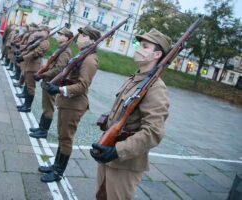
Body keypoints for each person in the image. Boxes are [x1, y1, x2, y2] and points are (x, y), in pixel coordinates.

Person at [90, 28, 171, 200]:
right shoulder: (136, 78)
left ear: (157, 55)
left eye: (145, 46)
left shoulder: (156, 88)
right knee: (101, 196)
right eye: (139, 44)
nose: (138, 48)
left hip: (125, 162)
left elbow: (154, 132)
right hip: (109, 148)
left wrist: (118, 150)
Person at [38, 26, 101, 182]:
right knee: (62, 136)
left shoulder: (90, 60)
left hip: (75, 104)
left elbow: (82, 86)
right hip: (68, 102)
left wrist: (59, 89)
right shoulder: (82, 55)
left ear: (92, 40)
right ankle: (55, 166)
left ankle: (58, 172)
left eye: (83, 35)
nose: (79, 37)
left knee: (66, 138)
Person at [29, 28, 74, 139]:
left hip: (52, 82)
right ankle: (41, 127)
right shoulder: (61, 48)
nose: (58, 36)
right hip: (49, 80)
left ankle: (43, 131)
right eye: (58, 34)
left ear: (66, 38)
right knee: (45, 107)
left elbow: (59, 69)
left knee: (49, 108)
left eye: (61, 34)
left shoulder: (66, 51)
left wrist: (42, 75)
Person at [16, 26, 50, 113]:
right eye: (41, 31)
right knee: (27, 85)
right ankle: (25, 105)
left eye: (42, 31)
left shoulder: (45, 42)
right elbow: (29, 48)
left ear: (47, 32)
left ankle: (27, 107)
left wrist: (23, 57)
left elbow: (35, 53)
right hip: (30, 64)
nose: (40, 32)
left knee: (31, 87)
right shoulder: (39, 40)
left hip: (34, 66)